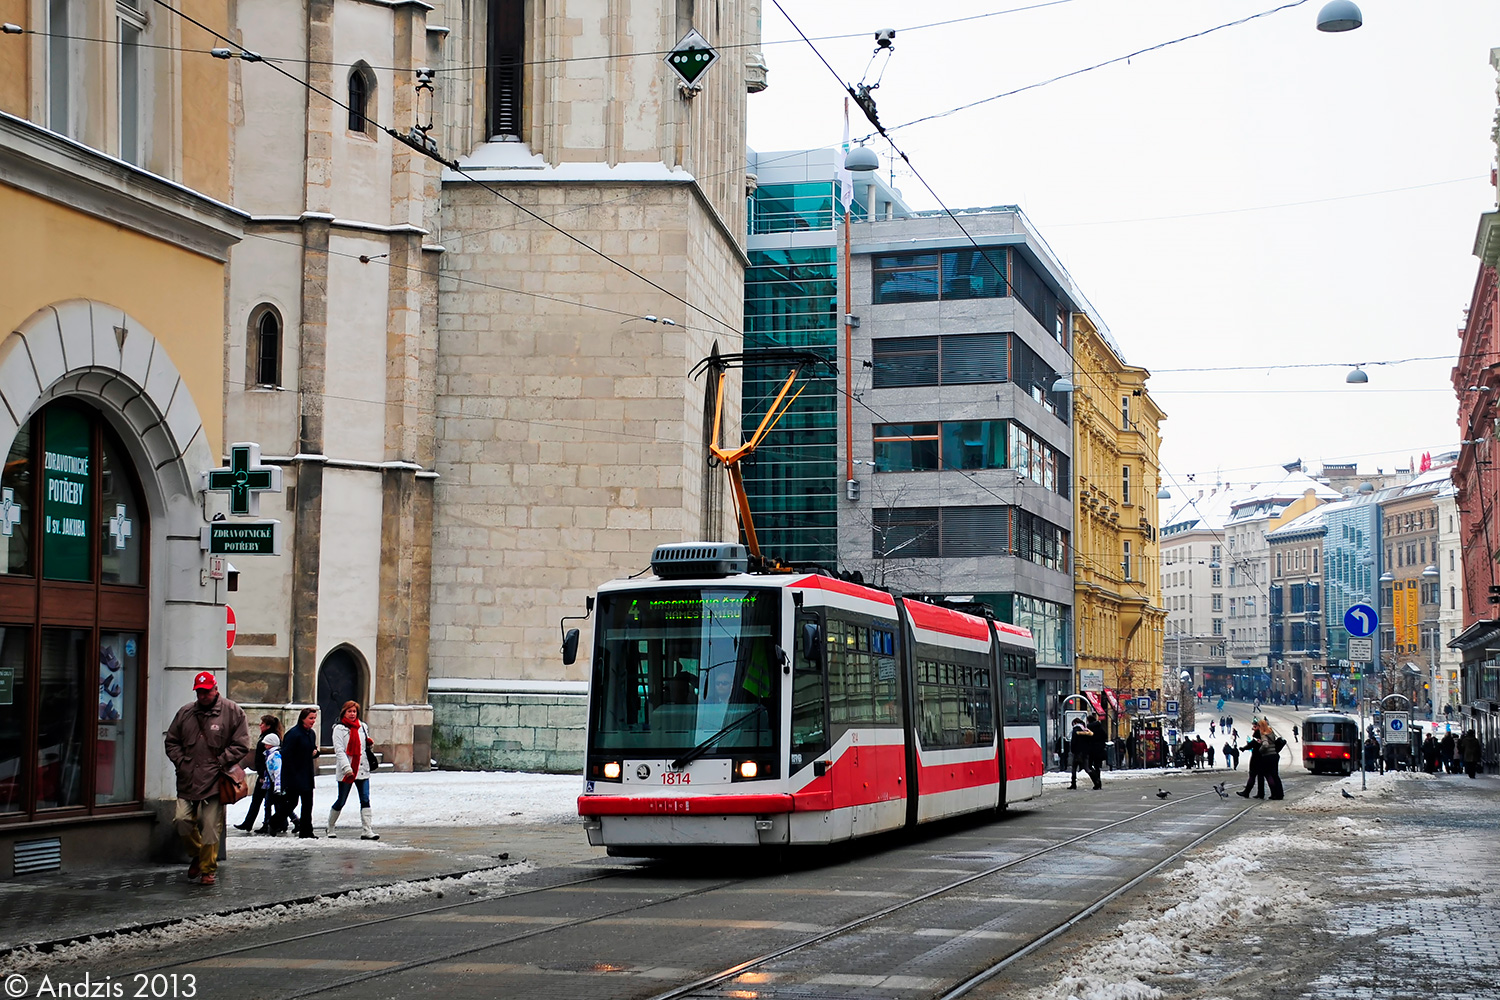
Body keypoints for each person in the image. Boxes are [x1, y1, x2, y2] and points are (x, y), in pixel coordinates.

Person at [163, 671, 250, 885]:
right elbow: (171, 741)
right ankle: (198, 855)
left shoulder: (233, 712)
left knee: (211, 827)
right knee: (182, 821)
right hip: (188, 778)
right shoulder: (185, 713)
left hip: (216, 780)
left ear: (215, 689)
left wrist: (221, 761)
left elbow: (242, 744)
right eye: (199, 692)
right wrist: (182, 762)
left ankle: (207, 870)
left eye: (207, 691)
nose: (203, 696)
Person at [328, 700, 379, 840]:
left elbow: (363, 749)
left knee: (365, 799)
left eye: (354, 711)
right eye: (349, 711)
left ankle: (367, 830)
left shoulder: (362, 727)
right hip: (347, 770)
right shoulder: (339, 729)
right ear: (344, 712)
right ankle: (330, 827)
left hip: (362, 769)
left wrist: (370, 744)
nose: (352, 714)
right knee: (341, 800)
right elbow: (339, 751)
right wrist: (346, 768)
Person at [235, 715, 283, 833]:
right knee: (267, 801)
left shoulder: (269, 739)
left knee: (264, 801)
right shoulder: (268, 737)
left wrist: (262, 775)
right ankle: (252, 823)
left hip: (266, 776)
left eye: (262, 723)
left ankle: (267, 823)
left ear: (268, 726)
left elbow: (264, 760)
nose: (260, 725)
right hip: (265, 775)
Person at [282, 707, 321, 838]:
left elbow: (312, 749)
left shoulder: (311, 733)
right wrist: (290, 775)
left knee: (308, 804)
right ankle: (274, 821)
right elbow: (287, 755)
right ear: (303, 718)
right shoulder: (294, 734)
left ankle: (306, 831)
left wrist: (316, 753)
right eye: (311, 718)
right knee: (292, 802)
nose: (313, 721)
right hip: (295, 774)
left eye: (314, 718)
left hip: (307, 774)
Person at [257, 732, 289, 835]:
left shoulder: (275, 756)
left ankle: (273, 823)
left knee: (278, 804)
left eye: (267, 743)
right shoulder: (269, 755)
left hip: (275, 784)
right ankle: (270, 823)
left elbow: (277, 771)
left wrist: (278, 786)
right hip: (271, 783)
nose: (265, 745)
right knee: (273, 803)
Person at [1069, 716, 1092, 790]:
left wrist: (1072, 750)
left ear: (1075, 723)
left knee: (1074, 768)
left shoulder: (1075, 730)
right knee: (1087, 768)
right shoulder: (1085, 730)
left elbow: (1073, 741)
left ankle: (1073, 784)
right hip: (1085, 752)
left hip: (1077, 752)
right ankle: (1096, 780)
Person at [1087, 713, 1106, 789]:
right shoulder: (1100, 727)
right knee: (1097, 766)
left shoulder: (1089, 728)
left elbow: (1087, 739)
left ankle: (1096, 781)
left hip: (1091, 750)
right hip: (1100, 750)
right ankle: (1099, 781)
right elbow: (1105, 736)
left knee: (1089, 766)